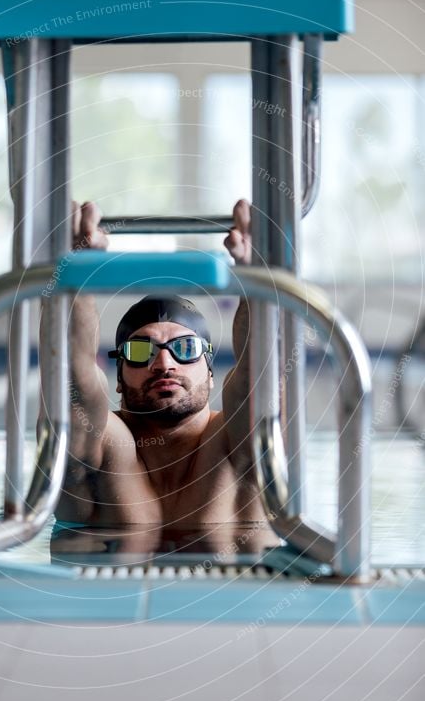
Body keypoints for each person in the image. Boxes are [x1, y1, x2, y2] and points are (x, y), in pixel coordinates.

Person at [42, 198, 279, 553]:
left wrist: (259, 277)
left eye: (185, 349)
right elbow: (76, 381)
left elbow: (257, 377)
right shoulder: (104, 445)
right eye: (141, 351)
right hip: (102, 606)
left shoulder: (234, 443)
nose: (164, 364)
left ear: (211, 373)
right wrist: (74, 280)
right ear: (118, 378)